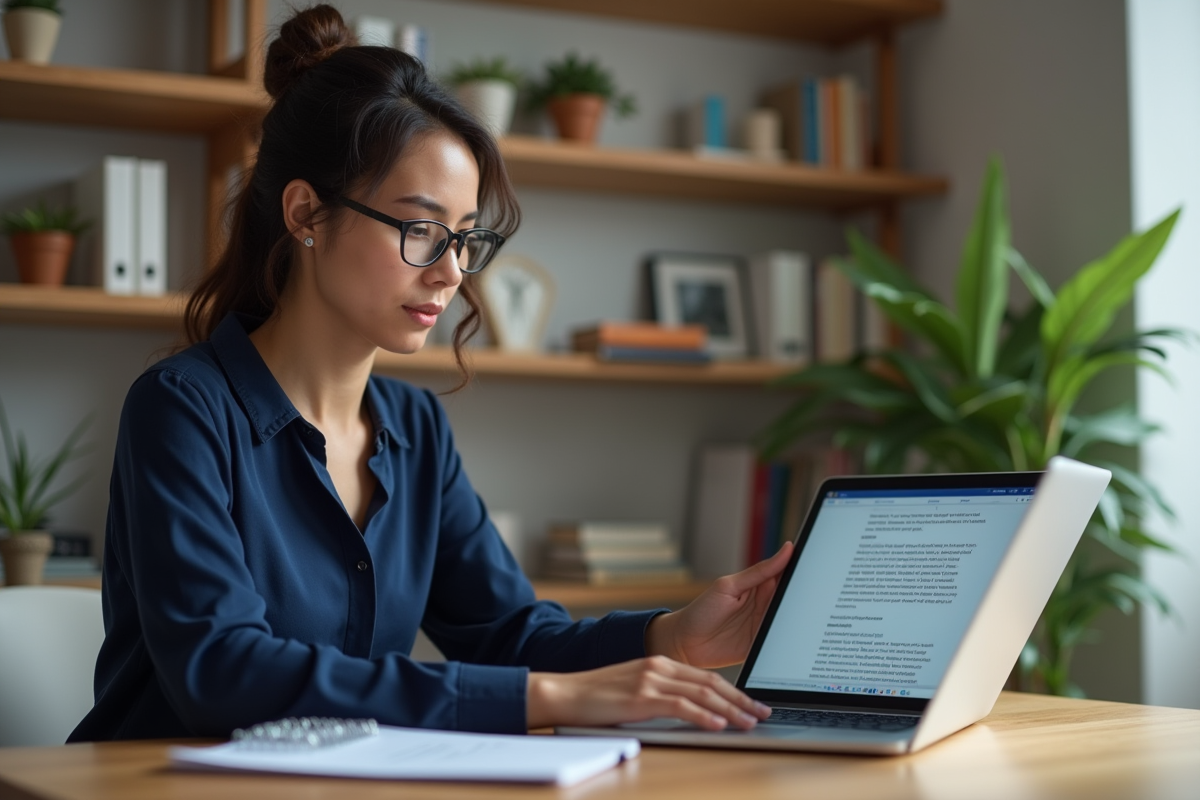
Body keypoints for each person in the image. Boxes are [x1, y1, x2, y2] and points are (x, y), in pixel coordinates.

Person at [69, 4, 792, 742]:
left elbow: (510, 634)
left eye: (466, 239)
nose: (451, 273)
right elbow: (223, 672)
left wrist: (672, 638)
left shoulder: (414, 428)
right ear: (306, 215)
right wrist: (542, 701)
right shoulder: (182, 408)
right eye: (421, 230)